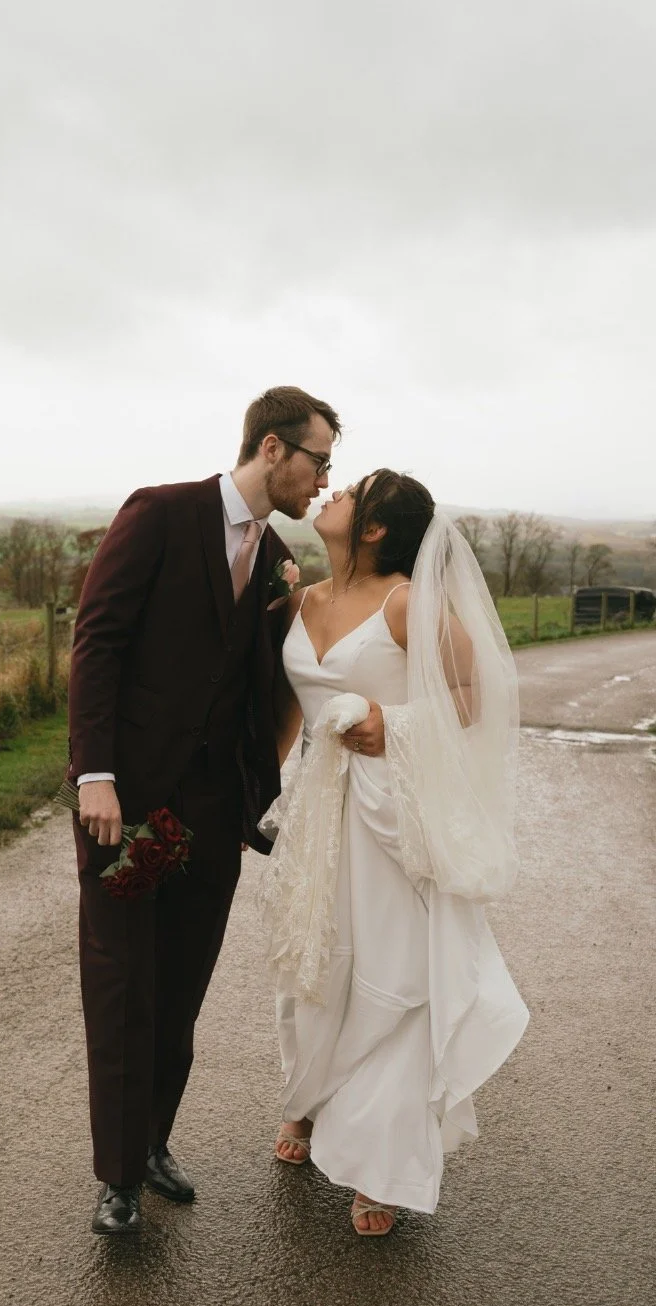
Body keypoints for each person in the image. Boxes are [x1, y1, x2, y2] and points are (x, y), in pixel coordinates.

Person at [67, 385, 341, 1235]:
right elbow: (98, 643)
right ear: (270, 449)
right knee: (122, 987)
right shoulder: (158, 514)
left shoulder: (272, 556)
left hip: (215, 815)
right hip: (130, 806)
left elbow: (254, 678)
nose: (325, 480)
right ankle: (117, 1181)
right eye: (318, 460)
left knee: (180, 990)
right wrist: (95, 775)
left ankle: (152, 1143)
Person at [258, 470, 529, 1235]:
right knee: (310, 964)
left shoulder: (407, 601)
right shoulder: (303, 599)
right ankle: (306, 1102)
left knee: (387, 974)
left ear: (376, 528)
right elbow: (289, 712)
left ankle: (384, 1161)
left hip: (387, 813)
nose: (332, 490)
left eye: (352, 489)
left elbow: (478, 695)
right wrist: (261, 796)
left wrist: (393, 722)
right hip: (317, 812)